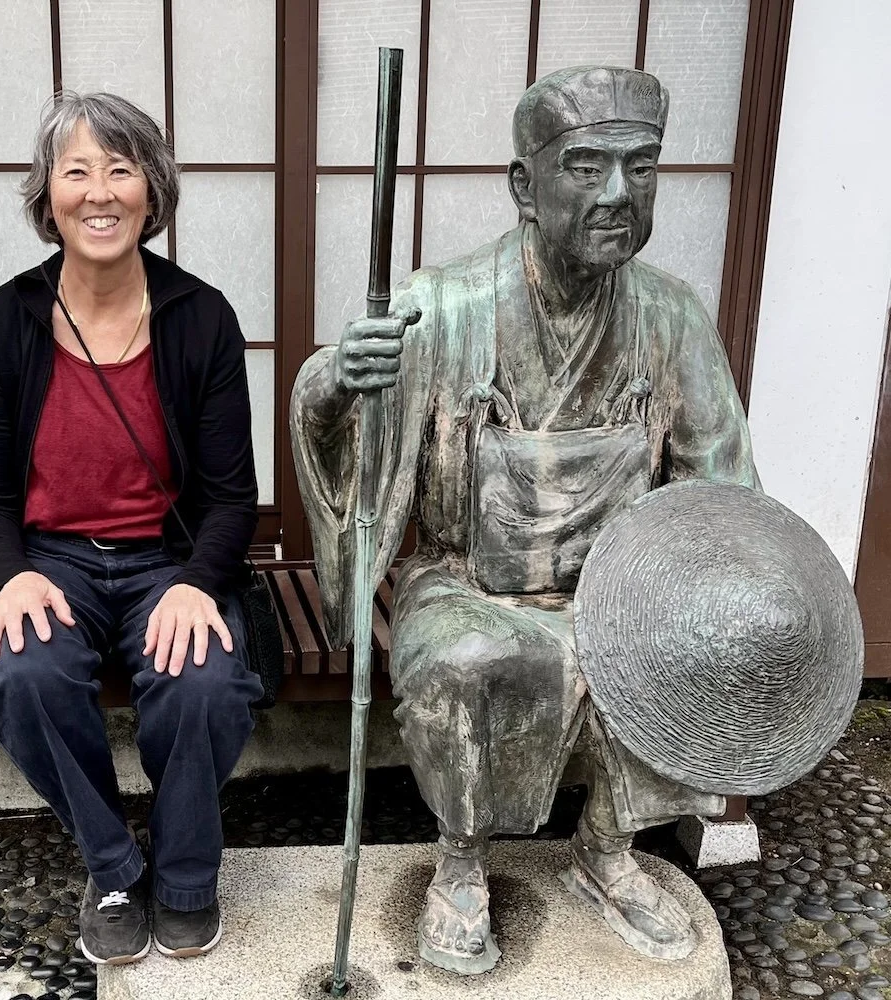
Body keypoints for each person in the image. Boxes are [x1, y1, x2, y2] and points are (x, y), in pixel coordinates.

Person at [292, 67, 758, 974]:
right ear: (524, 185)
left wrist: (720, 592)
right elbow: (348, 438)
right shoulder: (446, 304)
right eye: (585, 167)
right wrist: (338, 383)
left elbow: (720, 491)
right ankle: (461, 862)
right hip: (469, 584)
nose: (617, 192)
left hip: (621, 589)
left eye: (641, 167)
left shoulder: (672, 318)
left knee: (698, 636)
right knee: (464, 660)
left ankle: (608, 850)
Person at [0, 91, 263, 966]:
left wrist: (196, 584)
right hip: (47, 560)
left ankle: (188, 878)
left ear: (151, 191)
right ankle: (116, 867)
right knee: (22, 671)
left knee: (203, 679)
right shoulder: (6, 320)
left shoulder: (201, 317)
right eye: (77, 170)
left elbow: (232, 499)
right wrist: (10, 576)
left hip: (168, 559)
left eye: (121, 169)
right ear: (48, 195)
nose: (100, 191)